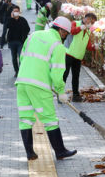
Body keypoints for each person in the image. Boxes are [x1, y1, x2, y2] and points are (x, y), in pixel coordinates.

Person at [15, 16, 77, 161]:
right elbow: (57, 73)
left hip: (22, 82)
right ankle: (60, 151)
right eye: (66, 33)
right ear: (61, 30)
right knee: (50, 119)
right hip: (39, 86)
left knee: (25, 118)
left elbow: (22, 57)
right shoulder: (58, 46)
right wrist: (61, 92)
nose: (66, 36)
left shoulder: (34, 35)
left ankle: (30, 153)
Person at [63, 13, 97, 102]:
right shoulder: (75, 23)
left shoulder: (88, 31)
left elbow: (88, 46)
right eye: (90, 20)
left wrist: (94, 47)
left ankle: (75, 95)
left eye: (92, 22)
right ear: (85, 18)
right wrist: (81, 27)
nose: (90, 23)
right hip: (68, 54)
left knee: (76, 76)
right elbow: (72, 31)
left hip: (78, 57)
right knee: (64, 75)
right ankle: (60, 94)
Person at [6, 6, 30, 77]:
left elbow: (28, 29)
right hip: (12, 42)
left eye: (17, 11)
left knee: (20, 57)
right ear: (12, 12)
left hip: (20, 42)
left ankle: (21, 71)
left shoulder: (23, 20)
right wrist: (11, 18)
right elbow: (7, 26)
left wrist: (23, 36)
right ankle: (16, 71)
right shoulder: (10, 20)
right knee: (13, 58)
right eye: (14, 11)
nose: (16, 12)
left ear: (19, 12)